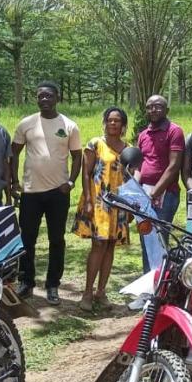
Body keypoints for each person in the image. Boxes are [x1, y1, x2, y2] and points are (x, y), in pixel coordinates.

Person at [11, 81, 81, 306]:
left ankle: (52, 284)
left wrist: (71, 182)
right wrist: (14, 181)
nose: (44, 99)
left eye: (49, 96)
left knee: (56, 239)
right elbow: (14, 153)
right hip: (31, 192)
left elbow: (77, 156)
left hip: (58, 192)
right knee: (27, 239)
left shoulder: (69, 125)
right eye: (40, 96)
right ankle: (26, 281)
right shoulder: (26, 123)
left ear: (57, 98)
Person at [72, 107, 131, 312]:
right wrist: (88, 200)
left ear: (123, 125)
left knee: (111, 245)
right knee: (98, 245)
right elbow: (86, 174)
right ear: (105, 123)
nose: (113, 123)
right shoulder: (95, 144)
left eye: (117, 121)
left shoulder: (128, 149)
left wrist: (129, 207)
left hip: (119, 203)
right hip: (98, 201)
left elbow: (130, 179)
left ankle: (101, 291)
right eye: (110, 120)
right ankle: (87, 293)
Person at [136, 94, 185, 273]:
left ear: (167, 110)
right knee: (146, 238)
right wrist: (136, 190)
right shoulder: (143, 135)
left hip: (165, 194)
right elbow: (139, 165)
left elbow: (174, 166)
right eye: (149, 107)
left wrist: (154, 193)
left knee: (159, 239)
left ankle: (160, 282)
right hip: (145, 194)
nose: (153, 110)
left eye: (158, 106)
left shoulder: (174, 131)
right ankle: (148, 279)